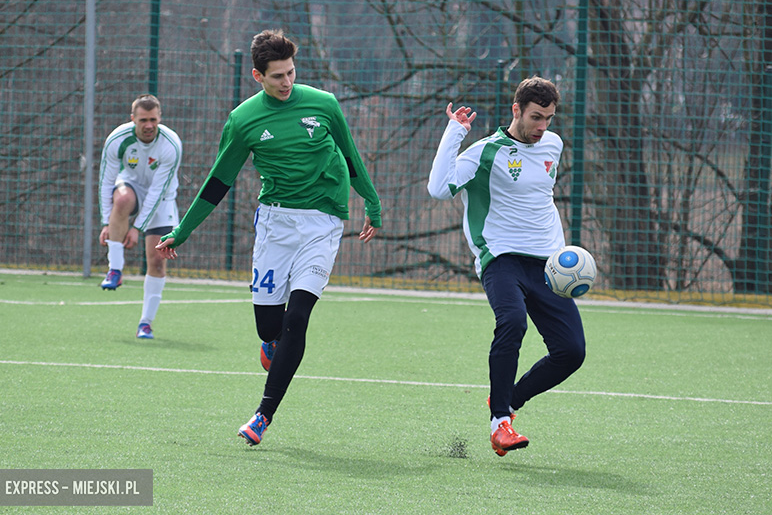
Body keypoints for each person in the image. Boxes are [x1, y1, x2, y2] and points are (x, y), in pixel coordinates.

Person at [155, 29, 382, 447]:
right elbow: (217, 183)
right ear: (257, 76)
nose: (286, 82)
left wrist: (372, 202)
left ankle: (262, 415)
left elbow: (350, 156)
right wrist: (182, 232)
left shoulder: (324, 105)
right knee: (269, 327)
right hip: (275, 226)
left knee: (297, 319)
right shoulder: (243, 120)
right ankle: (271, 344)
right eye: (276, 76)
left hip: (323, 221)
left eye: (291, 73)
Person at [427, 76, 586, 457]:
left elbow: (538, 198)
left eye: (548, 118)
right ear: (516, 110)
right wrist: (455, 133)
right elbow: (438, 188)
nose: (542, 126)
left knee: (572, 351)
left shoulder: (553, 143)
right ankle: (500, 423)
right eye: (535, 117)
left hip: (548, 265)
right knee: (512, 322)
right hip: (501, 258)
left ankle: (509, 400)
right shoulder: (485, 152)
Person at [98, 94, 182, 340]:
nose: (149, 125)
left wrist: (136, 228)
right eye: (143, 120)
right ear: (132, 118)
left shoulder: (170, 144)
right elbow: (106, 182)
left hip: (163, 198)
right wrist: (106, 221)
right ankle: (115, 269)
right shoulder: (117, 139)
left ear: (160, 118)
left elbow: (157, 193)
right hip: (131, 186)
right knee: (122, 199)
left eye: (153, 120)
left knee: (157, 260)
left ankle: (145, 323)